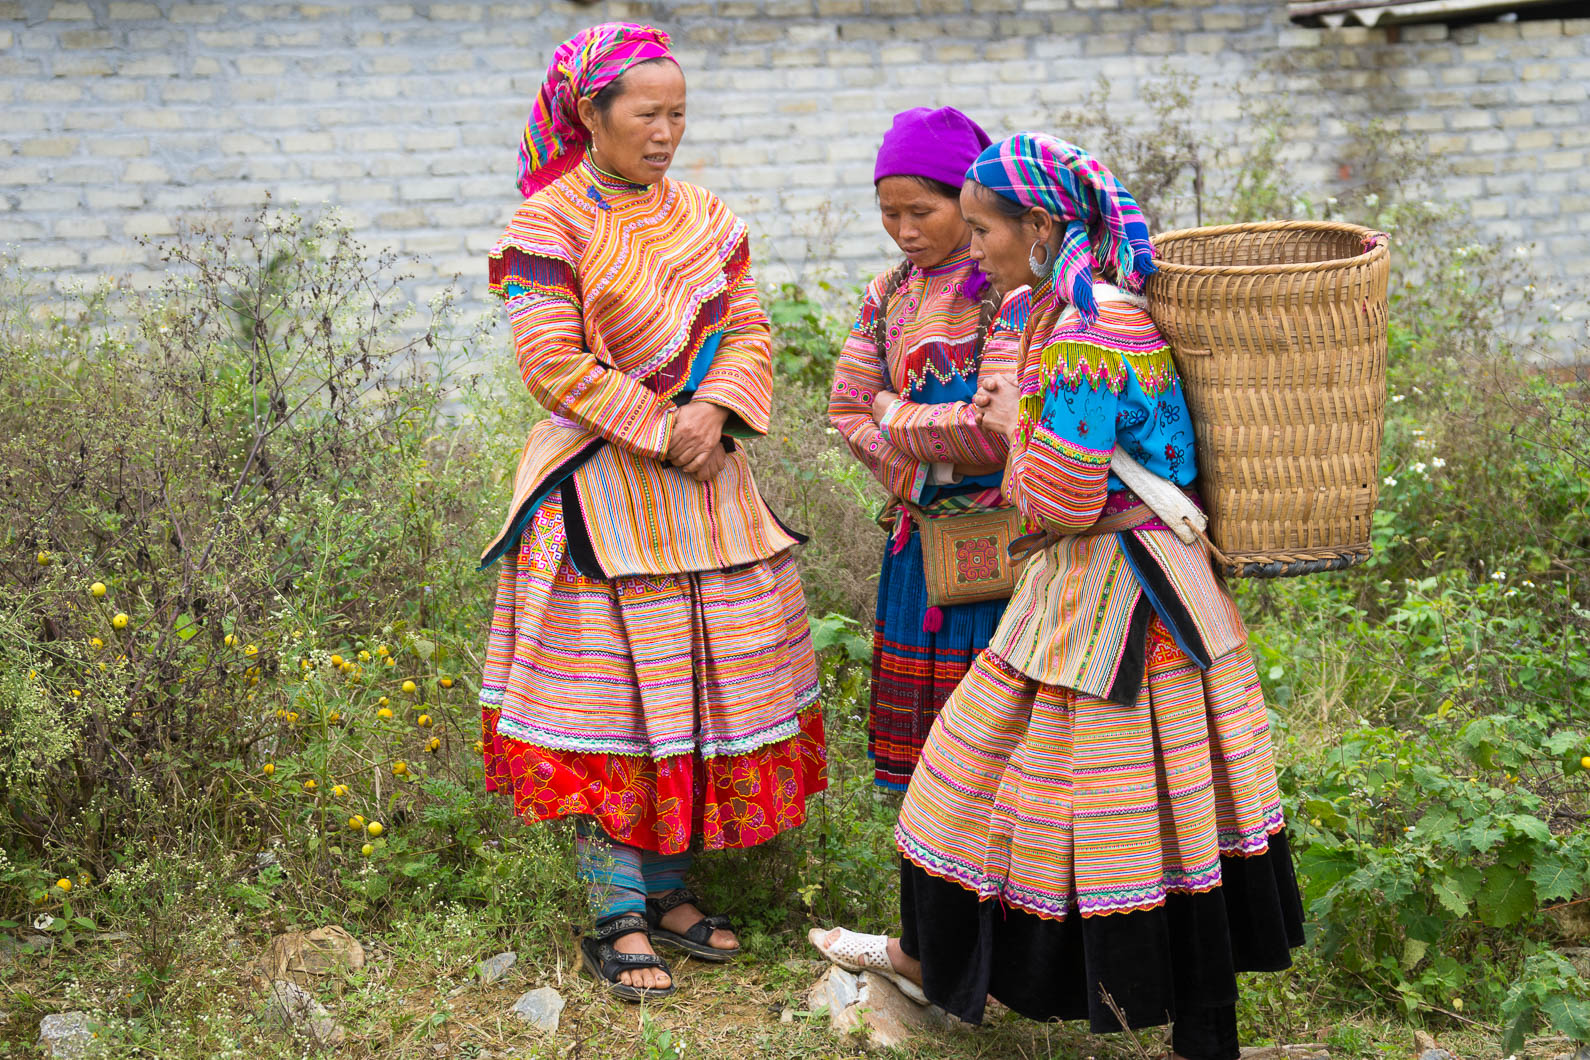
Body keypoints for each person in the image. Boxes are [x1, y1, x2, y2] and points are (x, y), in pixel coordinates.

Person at [812, 133, 1304, 1060]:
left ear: (1038, 226)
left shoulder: (1084, 335)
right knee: (1179, 810)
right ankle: (1194, 1032)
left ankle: (947, 963)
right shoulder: (1090, 310)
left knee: (1005, 784)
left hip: (1118, 596)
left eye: (987, 227)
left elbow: (1061, 500)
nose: (976, 244)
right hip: (1161, 590)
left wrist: (1005, 430)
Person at [477, 21, 827, 1002]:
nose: (667, 131)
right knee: (613, 709)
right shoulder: (547, 225)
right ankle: (615, 913)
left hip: (708, 491)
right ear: (591, 113)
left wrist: (710, 413)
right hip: (601, 499)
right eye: (648, 112)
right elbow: (550, 360)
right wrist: (656, 422)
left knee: (703, 693)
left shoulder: (709, 219)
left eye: (679, 113)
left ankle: (672, 891)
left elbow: (748, 329)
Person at [827, 107, 1030, 791]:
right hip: (919, 544)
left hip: (1007, 545)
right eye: (890, 214)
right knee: (927, 765)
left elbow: (994, 432)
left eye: (922, 211)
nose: (905, 231)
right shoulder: (887, 294)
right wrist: (930, 461)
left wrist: (895, 412)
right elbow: (846, 406)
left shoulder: (1008, 292)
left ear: (966, 198)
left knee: (1003, 748)